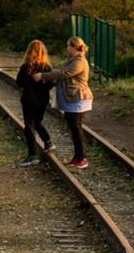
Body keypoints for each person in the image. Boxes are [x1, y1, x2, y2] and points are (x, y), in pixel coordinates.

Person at [35, 36, 94, 169]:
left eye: (68, 45)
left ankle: (82, 158)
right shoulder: (74, 59)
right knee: (74, 128)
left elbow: (64, 74)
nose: (67, 48)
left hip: (78, 99)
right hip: (73, 99)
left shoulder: (79, 61)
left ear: (74, 47)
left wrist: (42, 76)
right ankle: (77, 157)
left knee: (76, 128)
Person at [14, 40, 54, 166]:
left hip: (29, 100)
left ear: (29, 51)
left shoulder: (26, 67)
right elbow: (50, 84)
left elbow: (19, 83)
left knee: (29, 126)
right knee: (37, 122)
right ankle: (48, 142)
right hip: (43, 100)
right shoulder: (47, 67)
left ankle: (33, 155)